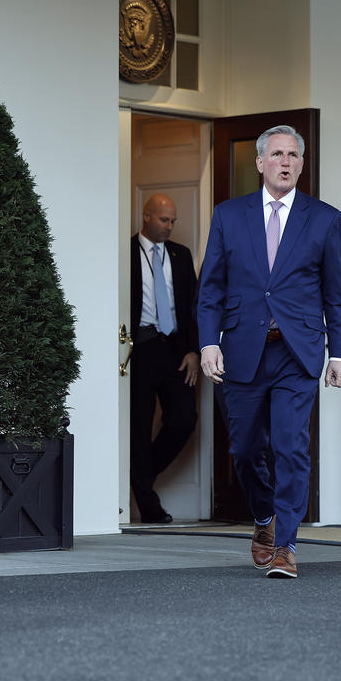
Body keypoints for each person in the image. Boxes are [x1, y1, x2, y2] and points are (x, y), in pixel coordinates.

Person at [198, 125, 341, 578]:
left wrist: (338, 351)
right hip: (242, 349)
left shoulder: (324, 218)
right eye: (277, 154)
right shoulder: (228, 215)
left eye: (293, 155)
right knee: (244, 450)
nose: (285, 162)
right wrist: (209, 342)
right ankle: (264, 518)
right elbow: (211, 289)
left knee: (290, 447)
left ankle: (286, 546)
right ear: (260, 162)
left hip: (296, 352)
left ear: (301, 165)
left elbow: (335, 292)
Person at [129, 194, 200, 524]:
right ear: (146, 216)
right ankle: (148, 503)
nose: (170, 226)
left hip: (176, 350)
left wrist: (195, 350)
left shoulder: (181, 255)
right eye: (163, 220)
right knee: (139, 426)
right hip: (140, 348)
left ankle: (139, 475)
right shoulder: (126, 252)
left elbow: (194, 307)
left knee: (184, 419)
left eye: (173, 221)